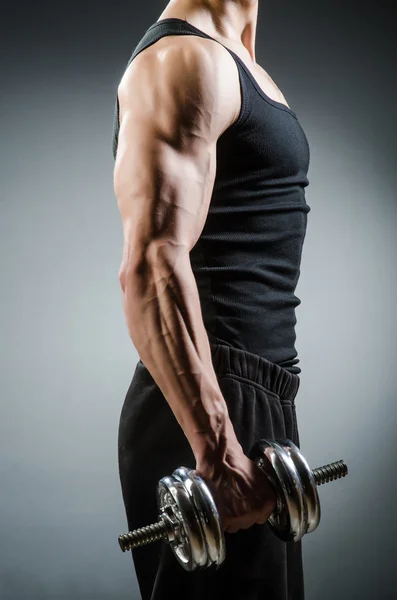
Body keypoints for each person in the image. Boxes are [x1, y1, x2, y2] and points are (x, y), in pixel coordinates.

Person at [112, 0, 311, 598]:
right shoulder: (185, 58)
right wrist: (218, 448)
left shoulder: (240, 61)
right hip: (210, 400)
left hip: (259, 396)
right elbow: (151, 264)